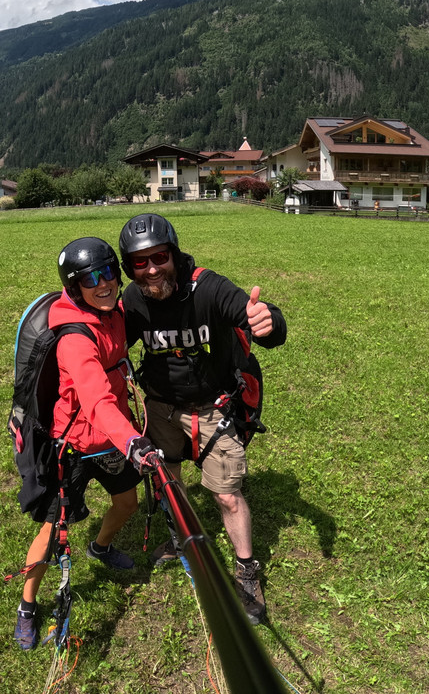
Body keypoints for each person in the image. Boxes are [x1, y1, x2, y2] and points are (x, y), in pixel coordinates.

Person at [118, 213, 286, 625]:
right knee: (168, 481)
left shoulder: (207, 288)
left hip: (213, 406)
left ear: (173, 254)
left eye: (159, 257)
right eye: (140, 262)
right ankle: (180, 541)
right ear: (130, 268)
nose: (152, 269)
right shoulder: (133, 301)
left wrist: (270, 322)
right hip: (159, 407)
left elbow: (259, 319)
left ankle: (247, 571)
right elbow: (107, 343)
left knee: (227, 494)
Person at [14, 237, 162, 650]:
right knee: (52, 530)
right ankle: (27, 605)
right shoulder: (74, 339)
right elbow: (95, 400)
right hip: (75, 446)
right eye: (91, 279)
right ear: (73, 286)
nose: (105, 284)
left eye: (109, 272)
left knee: (127, 504)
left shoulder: (113, 312)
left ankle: (100, 547)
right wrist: (134, 440)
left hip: (114, 439)